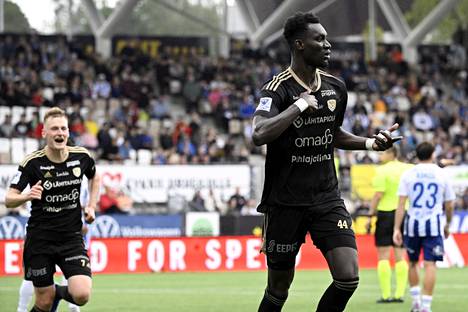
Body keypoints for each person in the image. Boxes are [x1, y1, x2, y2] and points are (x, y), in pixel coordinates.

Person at [251, 11, 402, 312]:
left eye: (326, 37)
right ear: (299, 45)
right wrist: (297, 106)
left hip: (325, 198)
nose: (328, 44)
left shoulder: (336, 87)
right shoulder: (277, 89)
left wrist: (370, 143)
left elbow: (332, 133)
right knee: (278, 290)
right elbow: (259, 133)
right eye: (319, 39)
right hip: (285, 203)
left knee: (348, 277)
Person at [5, 107, 100, 312]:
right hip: (40, 240)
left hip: (71, 238)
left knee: (82, 295)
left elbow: (95, 176)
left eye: (63, 128)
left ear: (68, 131)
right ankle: (52, 294)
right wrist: (26, 196)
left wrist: (91, 205)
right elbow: (8, 199)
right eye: (54, 128)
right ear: (44, 133)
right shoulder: (32, 163)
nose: (60, 133)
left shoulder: (81, 157)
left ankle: (56, 292)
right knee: (44, 302)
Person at [393, 142, 455, 312]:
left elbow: (401, 204)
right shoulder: (441, 174)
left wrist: (397, 228)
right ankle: (426, 306)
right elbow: (449, 205)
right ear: (433, 154)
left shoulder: (408, 174)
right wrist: (448, 224)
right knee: (430, 265)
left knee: (412, 263)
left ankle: (416, 302)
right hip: (433, 225)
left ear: (417, 155)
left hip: (412, 225)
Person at [367, 147, 413, 303]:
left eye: (383, 153)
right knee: (401, 255)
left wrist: (370, 214)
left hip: (386, 214)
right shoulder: (408, 169)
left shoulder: (382, 171)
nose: (380, 155)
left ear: (391, 154)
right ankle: (399, 295)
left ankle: (386, 295)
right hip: (404, 213)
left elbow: (378, 194)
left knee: (383, 255)